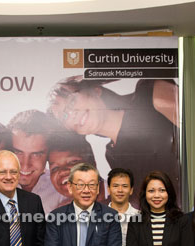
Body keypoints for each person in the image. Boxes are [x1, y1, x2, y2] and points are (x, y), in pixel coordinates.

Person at [48, 77, 180, 200]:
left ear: (95, 90)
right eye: (64, 116)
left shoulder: (148, 93)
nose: (72, 114)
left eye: (72, 101)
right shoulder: (113, 156)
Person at [7, 110, 66, 213]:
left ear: (48, 155)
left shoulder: (63, 191)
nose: (25, 166)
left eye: (36, 154)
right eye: (18, 152)